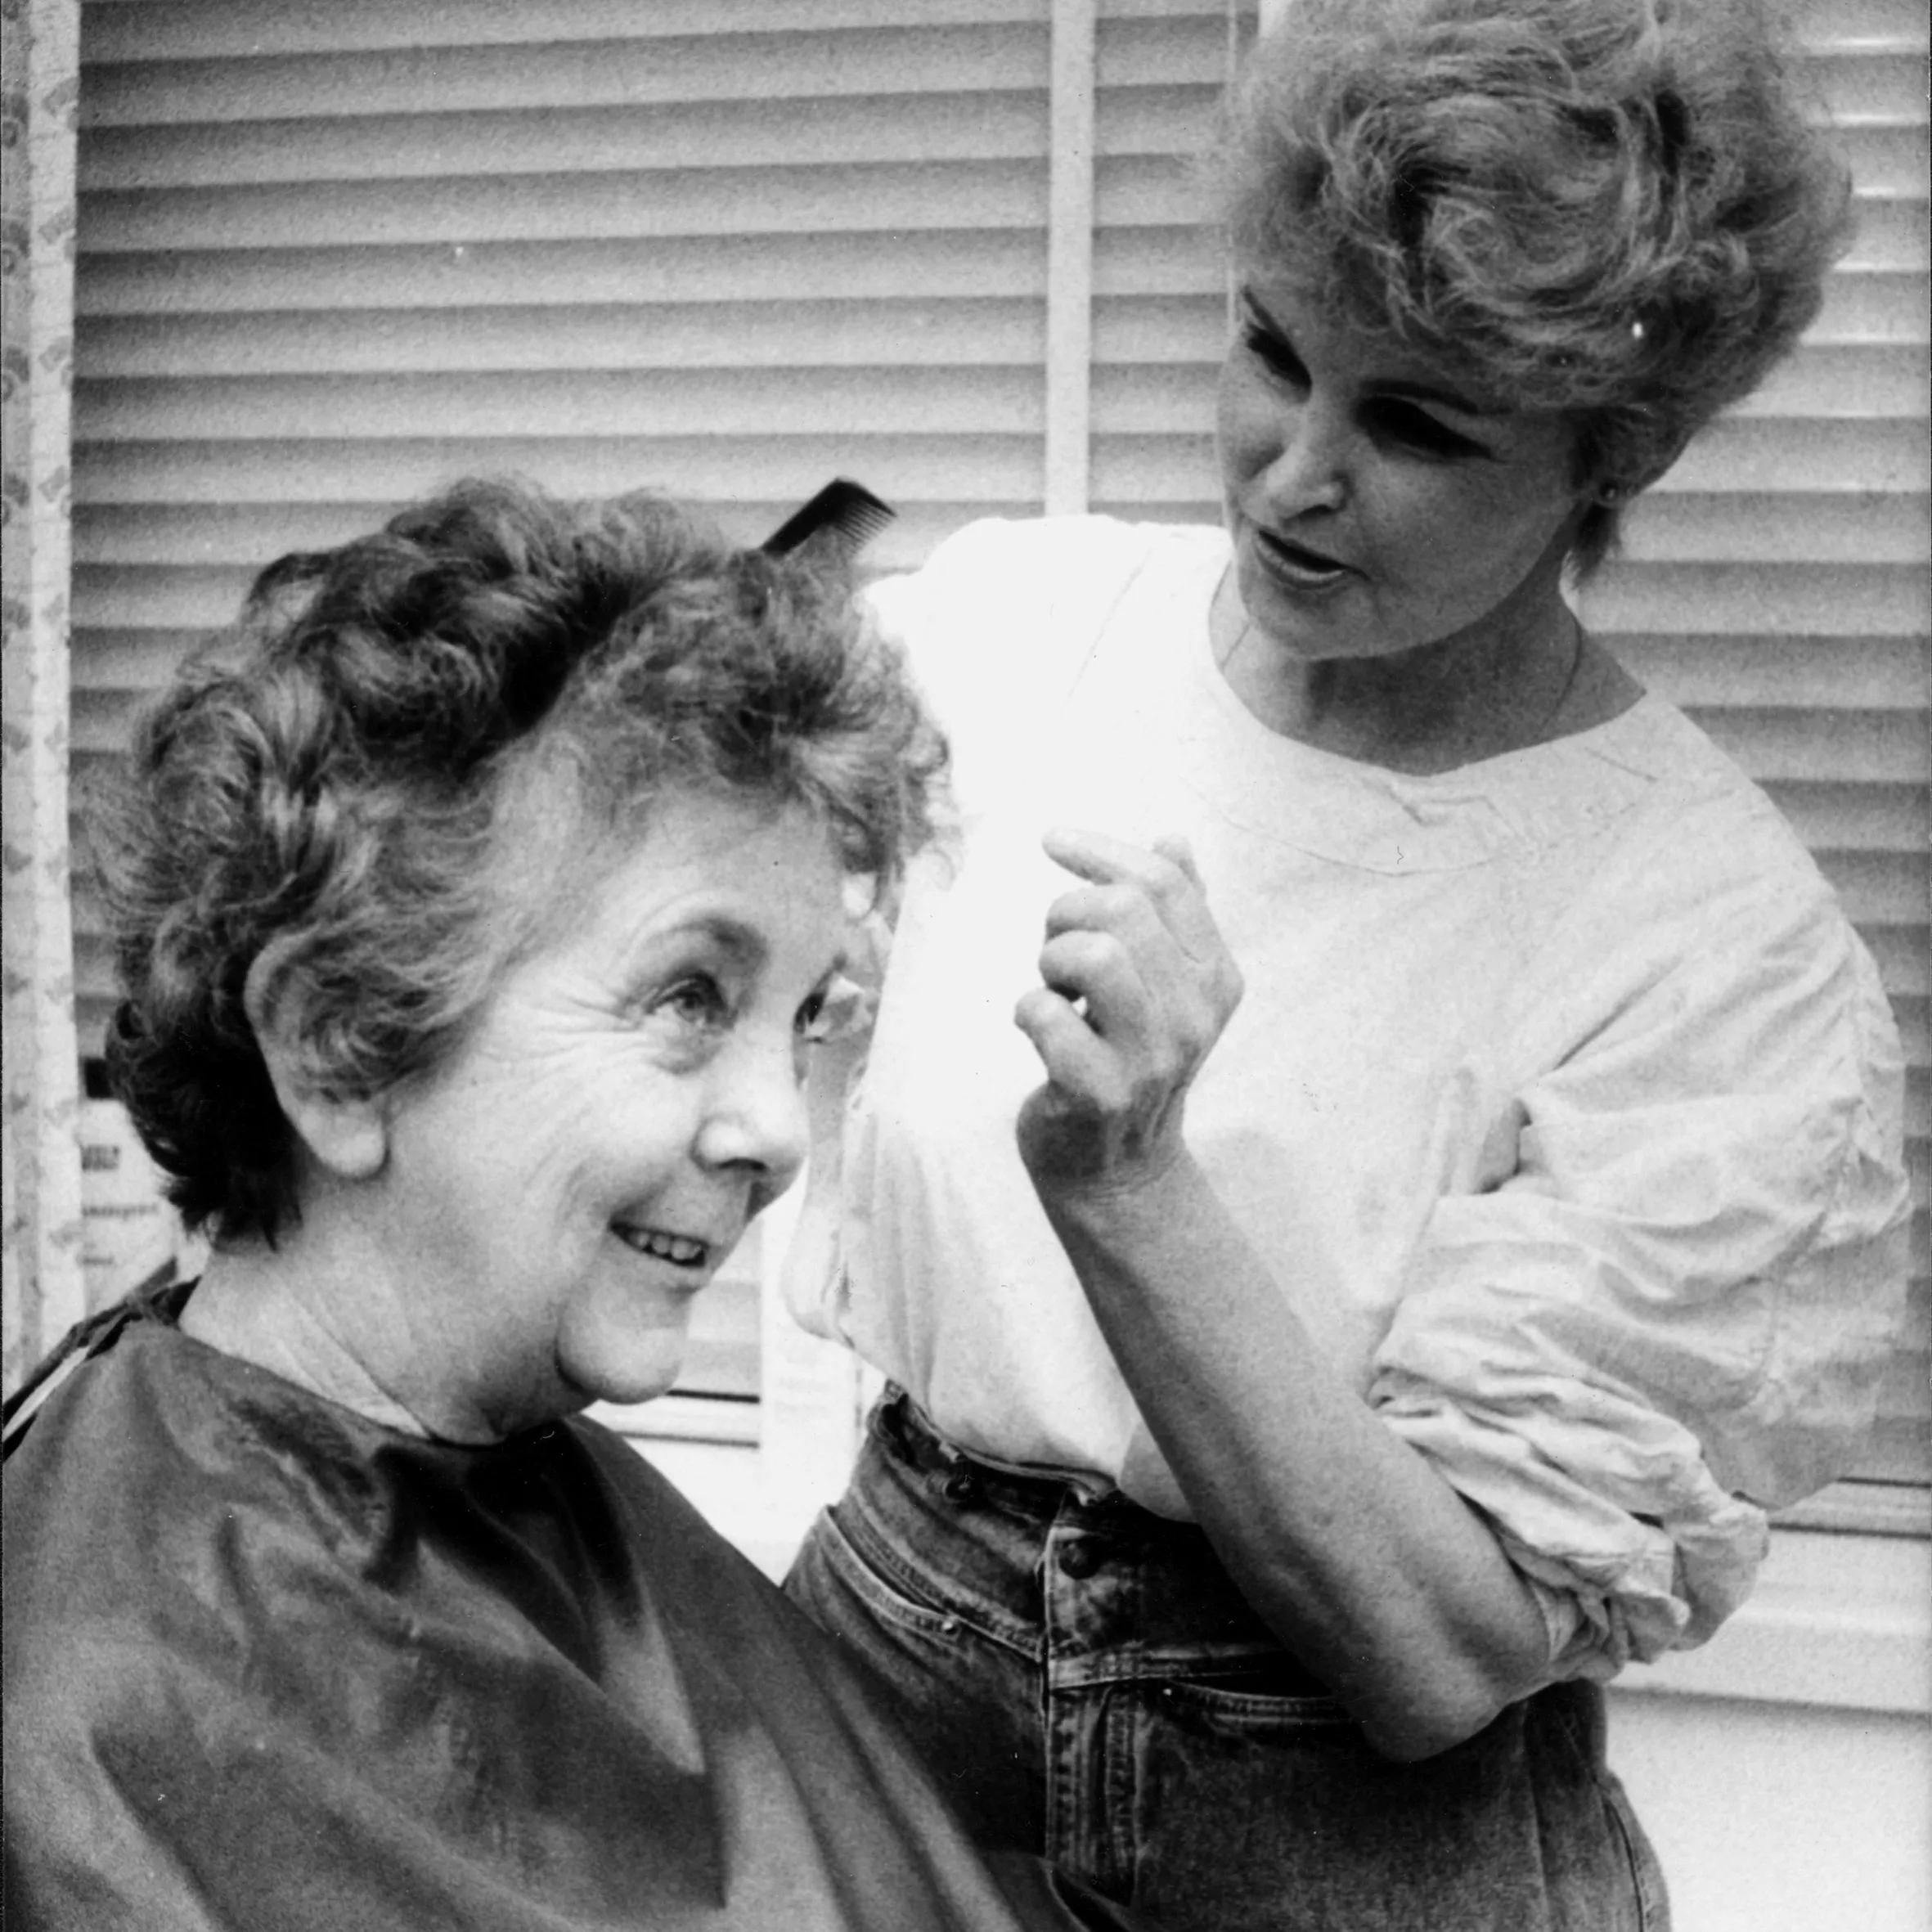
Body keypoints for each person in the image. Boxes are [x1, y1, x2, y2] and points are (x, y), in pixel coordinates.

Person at [780, 3, 1913, 1929]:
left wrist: (1132, 1188)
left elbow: (1430, 1651)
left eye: (1413, 423)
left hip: (1331, 1809)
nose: (1292, 471)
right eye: (1269, 351)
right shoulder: (1001, 634)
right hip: (876, 1671)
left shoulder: (1709, 946)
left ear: (1603, 453)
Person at [1, 480, 1155, 1932]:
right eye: (688, 996)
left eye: (801, 1017)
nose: (775, 1132)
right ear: (339, 1045)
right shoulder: (108, 1712)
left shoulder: (529, 1482)